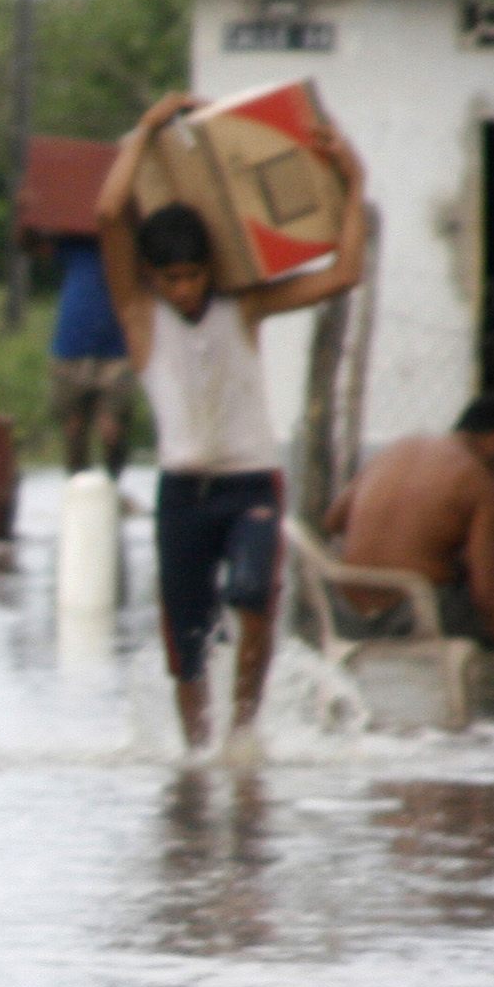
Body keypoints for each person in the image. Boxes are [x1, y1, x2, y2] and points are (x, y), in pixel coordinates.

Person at [96, 91, 367, 755]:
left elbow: (345, 272)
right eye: (171, 278)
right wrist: (152, 127)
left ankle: (243, 733)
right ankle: (196, 752)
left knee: (253, 596)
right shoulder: (141, 319)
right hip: (182, 493)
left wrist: (353, 182)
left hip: (250, 485)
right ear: (155, 278)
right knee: (185, 637)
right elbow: (109, 212)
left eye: (193, 276)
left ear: (209, 270)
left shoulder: (243, 307)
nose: (184, 289)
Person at [321, 396, 494, 647]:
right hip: (412, 617)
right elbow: (487, 592)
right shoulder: (482, 486)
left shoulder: (398, 449)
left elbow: (333, 521)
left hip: (346, 613)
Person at [47, 231, 134, 478]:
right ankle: (77, 485)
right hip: (71, 348)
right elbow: (32, 239)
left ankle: (111, 484)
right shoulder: (73, 243)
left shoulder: (127, 242)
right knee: (73, 428)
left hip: (116, 350)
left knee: (112, 430)